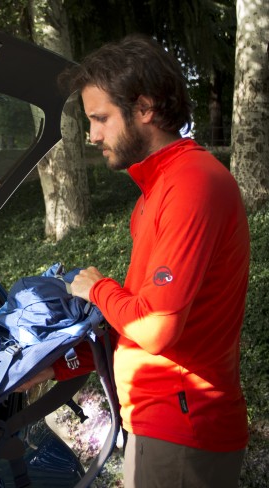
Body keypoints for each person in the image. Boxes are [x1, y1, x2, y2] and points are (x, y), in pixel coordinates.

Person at [22, 35, 250, 488]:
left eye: (101, 118)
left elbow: (154, 327)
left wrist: (96, 288)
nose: (92, 135)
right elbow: (136, 322)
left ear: (144, 108)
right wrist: (62, 364)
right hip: (159, 422)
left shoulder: (191, 184)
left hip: (183, 430)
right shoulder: (158, 190)